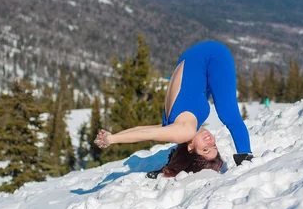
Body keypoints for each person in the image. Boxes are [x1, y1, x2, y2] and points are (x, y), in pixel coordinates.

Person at [94, 41, 254, 178]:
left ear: (190, 148)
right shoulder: (177, 127)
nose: (211, 141)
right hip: (193, 59)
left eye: (205, 148)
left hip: (210, 55)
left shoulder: (185, 131)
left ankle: (246, 158)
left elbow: (145, 132)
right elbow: (145, 130)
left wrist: (112, 139)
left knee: (229, 116)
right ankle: (242, 159)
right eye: (213, 147)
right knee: (220, 108)